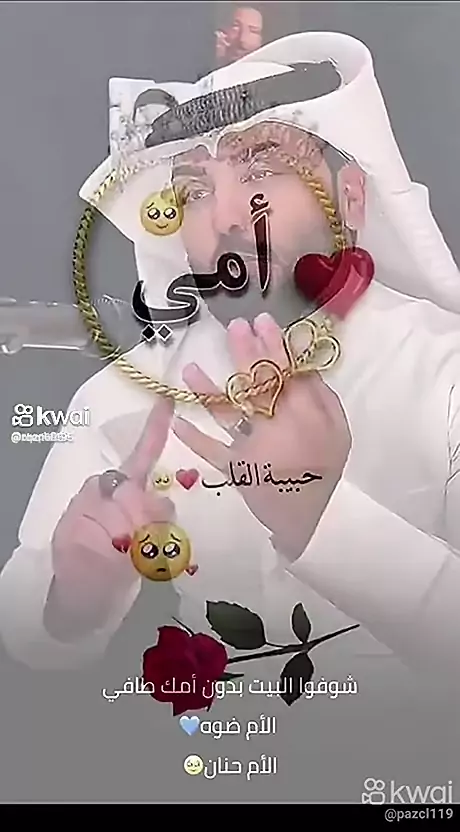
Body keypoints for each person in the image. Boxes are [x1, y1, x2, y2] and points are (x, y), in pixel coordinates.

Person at [1, 30, 460, 696]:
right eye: (193, 192)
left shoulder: (447, 372)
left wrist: (326, 523)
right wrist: (73, 599)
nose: (224, 219)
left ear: (352, 200)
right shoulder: (124, 400)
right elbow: (23, 630)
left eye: (261, 172)